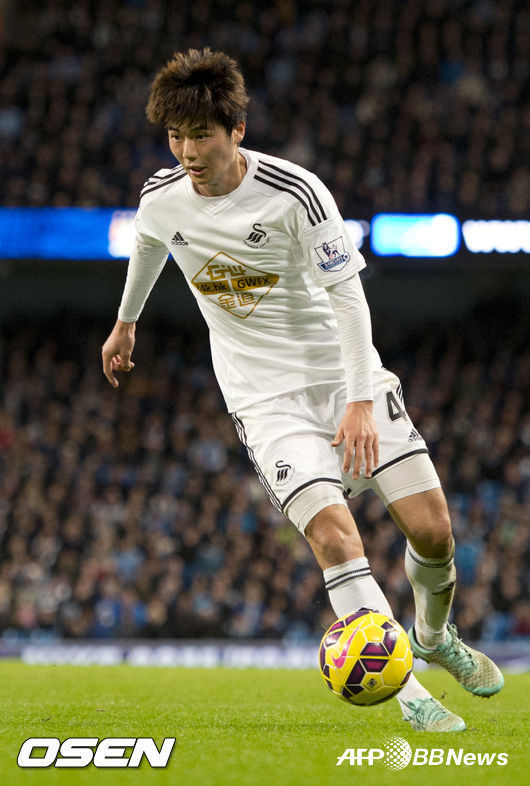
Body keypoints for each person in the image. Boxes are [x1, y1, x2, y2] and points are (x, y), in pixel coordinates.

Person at [102, 48, 503, 731]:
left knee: (434, 533)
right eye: (174, 136)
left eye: (200, 135)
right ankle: (408, 691)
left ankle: (434, 637)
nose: (187, 151)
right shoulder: (162, 197)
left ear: (237, 130)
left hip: (344, 377)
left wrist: (358, 401)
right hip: (265, 401)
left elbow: (349, 299)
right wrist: (125, 324)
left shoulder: (296, 193)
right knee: (333, 535)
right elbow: (148, 245)